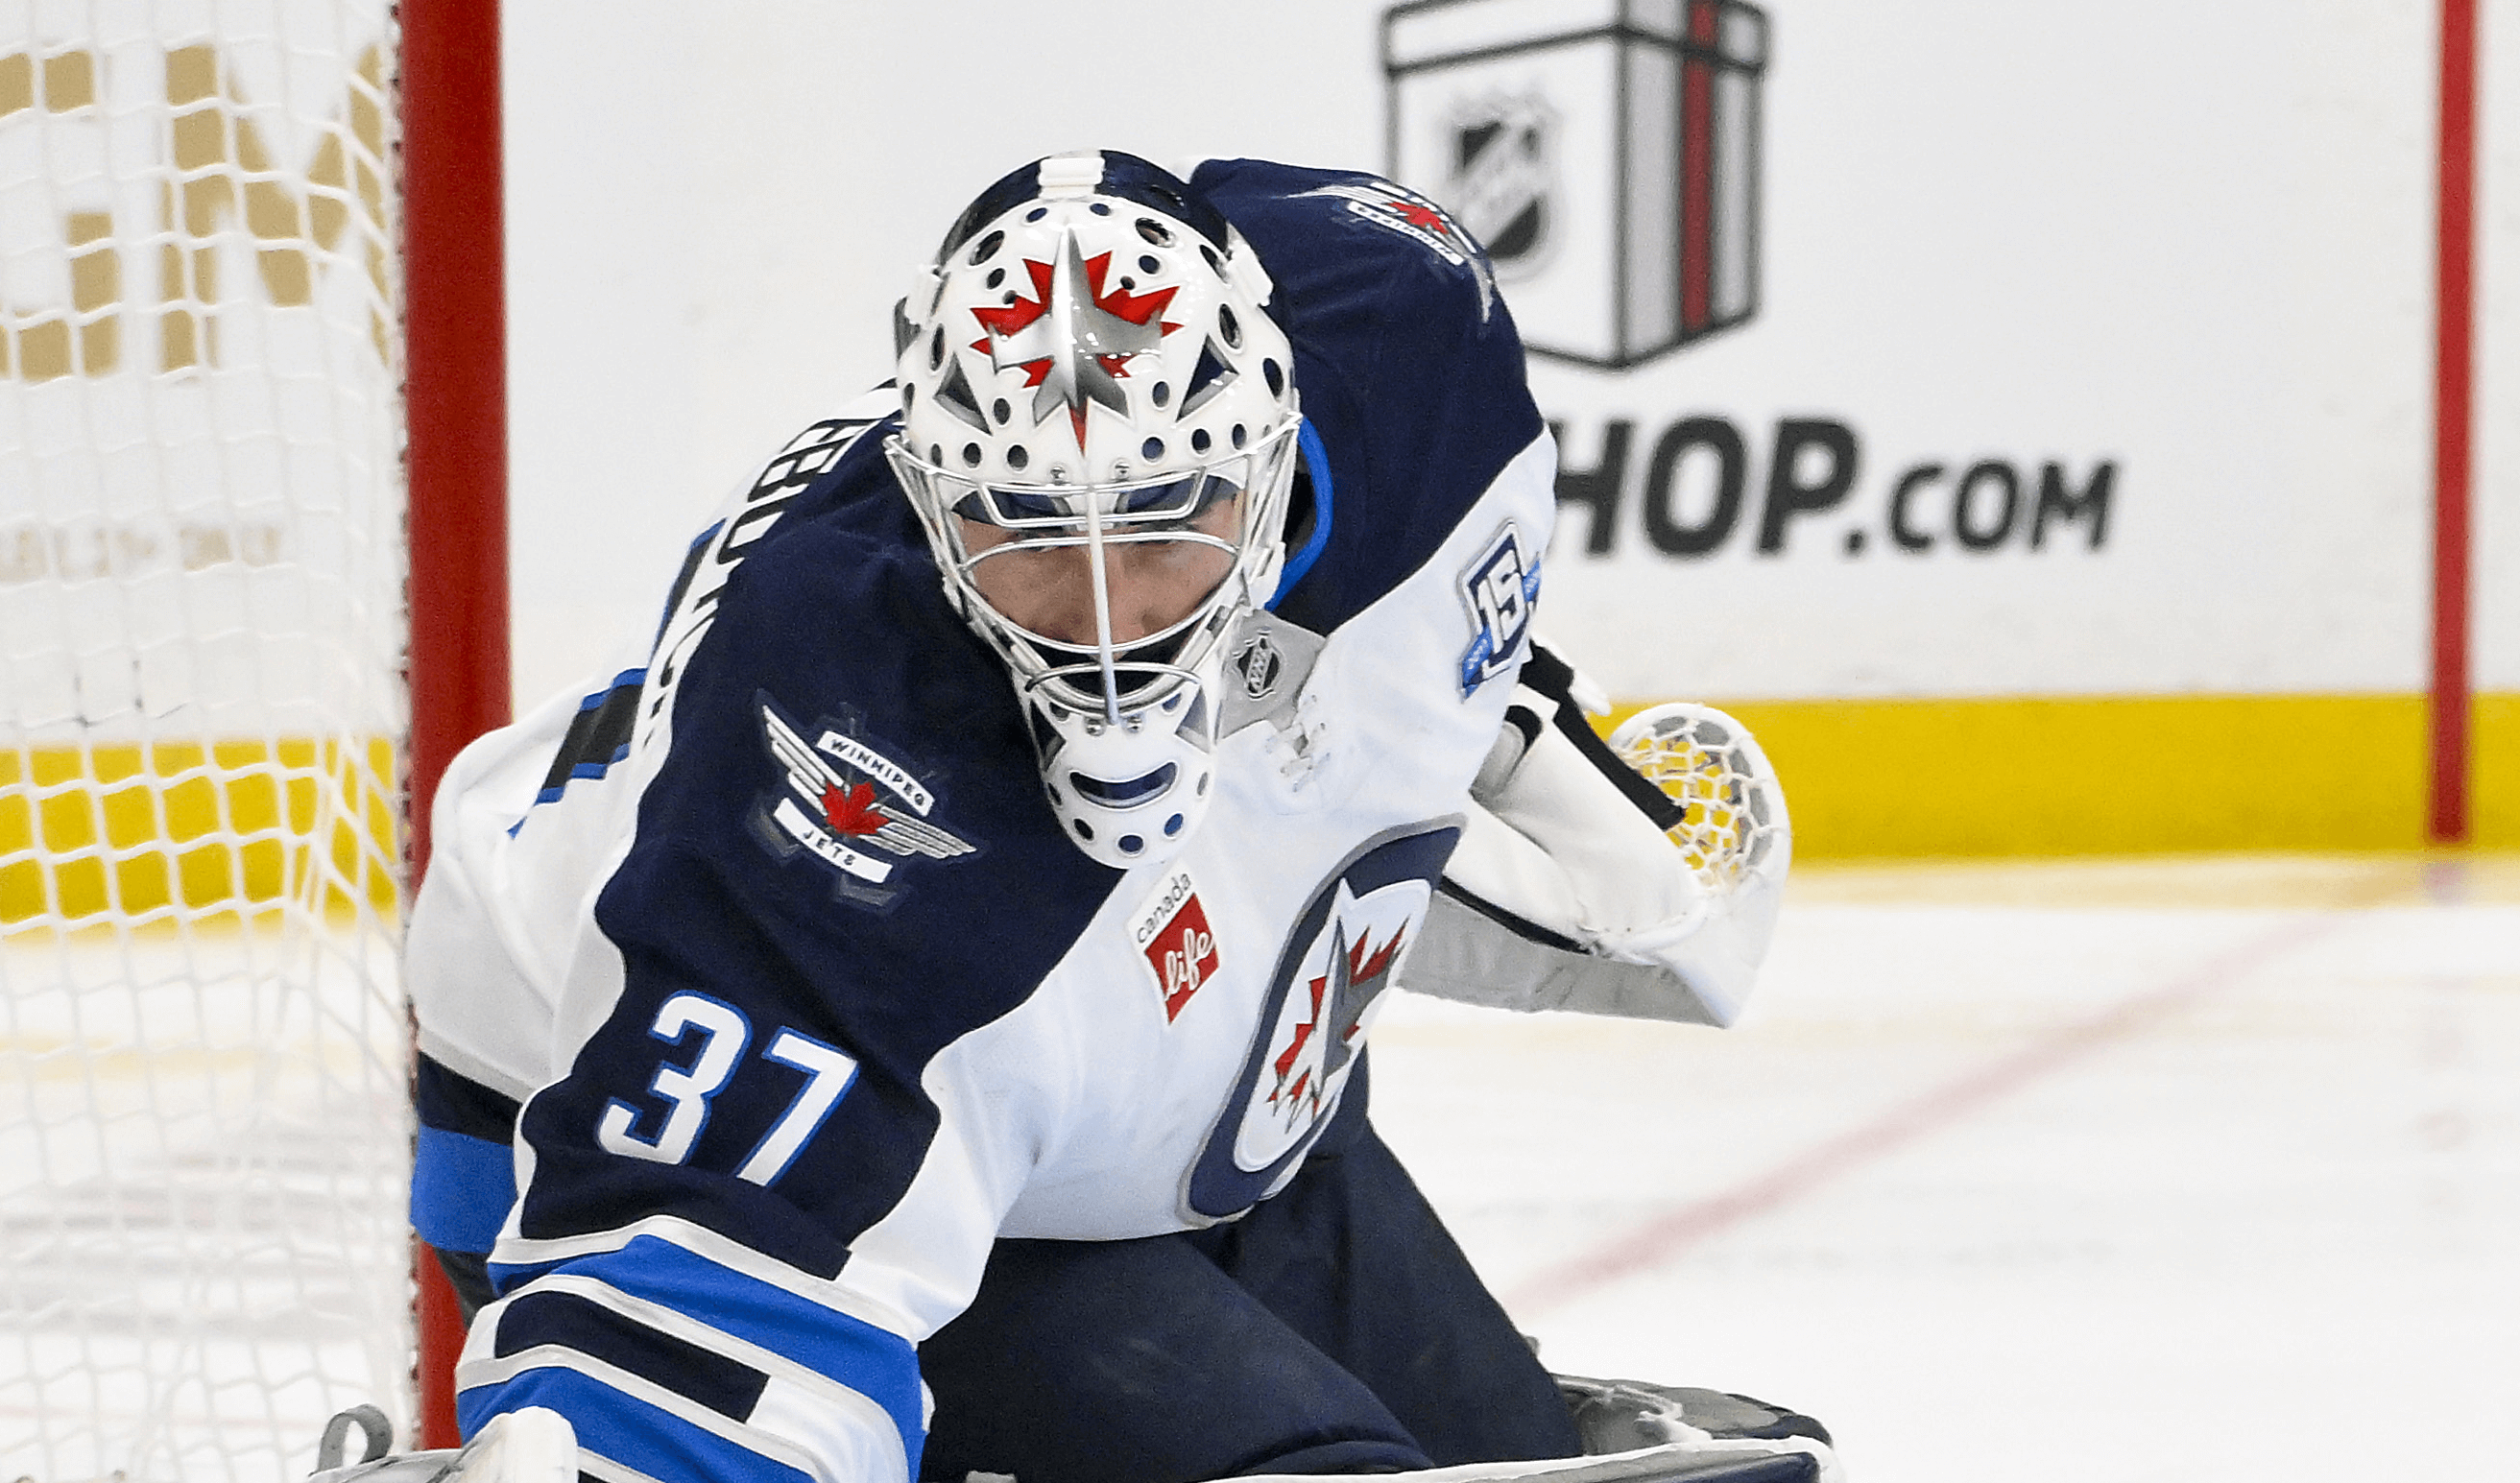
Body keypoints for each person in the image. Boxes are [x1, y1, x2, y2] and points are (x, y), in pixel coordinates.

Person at [402, 151, 1818, 1483]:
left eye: (1166, 526)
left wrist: (1471, 720)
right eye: (1024, 539)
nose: (1106, 624)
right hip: (636, 1091)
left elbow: (1318, 737)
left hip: (1195, 1135)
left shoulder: (1403, 332)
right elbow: (685, 1316)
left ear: (1270, 454)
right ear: (931, 496)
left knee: (1504, 1450)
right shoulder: (858, 827)